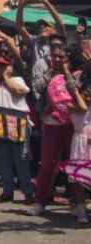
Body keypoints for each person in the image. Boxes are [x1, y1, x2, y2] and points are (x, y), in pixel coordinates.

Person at [0, 53, 35, 205]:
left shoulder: (17, 79)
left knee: (21, 158)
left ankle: (28, 192)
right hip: (0, 118)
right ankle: (7, 190)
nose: (0, 68)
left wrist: (5, 76)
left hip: (18, 118)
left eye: (3, 65)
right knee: (3, 159)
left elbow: (18, 91)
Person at [33, 43, 75, 216]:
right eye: (54, 56)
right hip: (51, 124)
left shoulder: (75, 75)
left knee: (73, 165)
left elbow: (75, 91)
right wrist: (50, 71)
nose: (57, 59)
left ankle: (76, 201)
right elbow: (38, 87)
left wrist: (66, 72)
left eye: (61, 56)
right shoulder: (48, 73)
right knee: (47, 165)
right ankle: (40, 201)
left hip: (71, 125)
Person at [60, 73, 90, 224]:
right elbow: (83, 108)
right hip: (80, 141)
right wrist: (77, 93)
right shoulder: (71, 105)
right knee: (78, 177)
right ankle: (80, 207)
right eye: (87, 93)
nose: (89, 97)